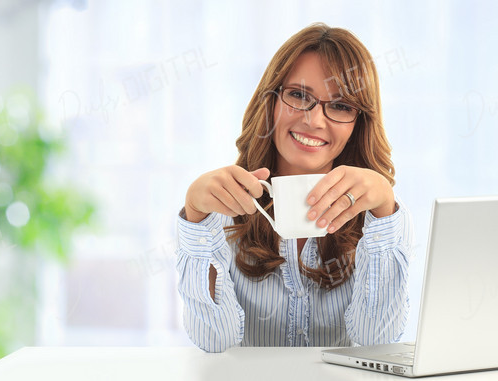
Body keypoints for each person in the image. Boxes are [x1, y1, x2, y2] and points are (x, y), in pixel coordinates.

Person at [176, 23, 413, 352]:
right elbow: (214, 341)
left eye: (341, 106)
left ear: (359, 122)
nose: (314, 121)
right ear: (271, 101)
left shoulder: (380, 218)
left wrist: (384, 211)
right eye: (299, 95)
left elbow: (377, 340)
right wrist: (196, 218)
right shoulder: (223, 210)